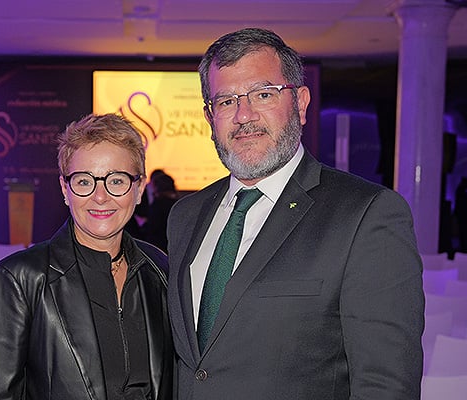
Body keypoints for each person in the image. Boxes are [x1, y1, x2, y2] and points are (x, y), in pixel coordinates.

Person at [166, 28, 424, 400]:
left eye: (263, 94)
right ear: (209, 117)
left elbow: (385, 386)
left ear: (301, 104)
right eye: (226, 102)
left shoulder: (367, 215)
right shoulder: (185, 216)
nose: (243, 115)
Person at [0, 113, 174, 400]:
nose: (100, 196)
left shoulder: (160, 269)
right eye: (83, 181)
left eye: (116, 181)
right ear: (65, 190)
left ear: (139, 190)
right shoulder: (18, 281)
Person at [142, 171, 178, 252]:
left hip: (158, 250)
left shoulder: (157, 205)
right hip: (175, 248)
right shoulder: (179, 204)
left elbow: (152, 230)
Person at [454, 176, 467, 253]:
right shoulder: (461, 192)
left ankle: (465, 249)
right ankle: (465, 250)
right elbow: (461, 206)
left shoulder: (461, 192)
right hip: (463, 217)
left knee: (464, 235)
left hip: (463, 217)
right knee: (464, 234)